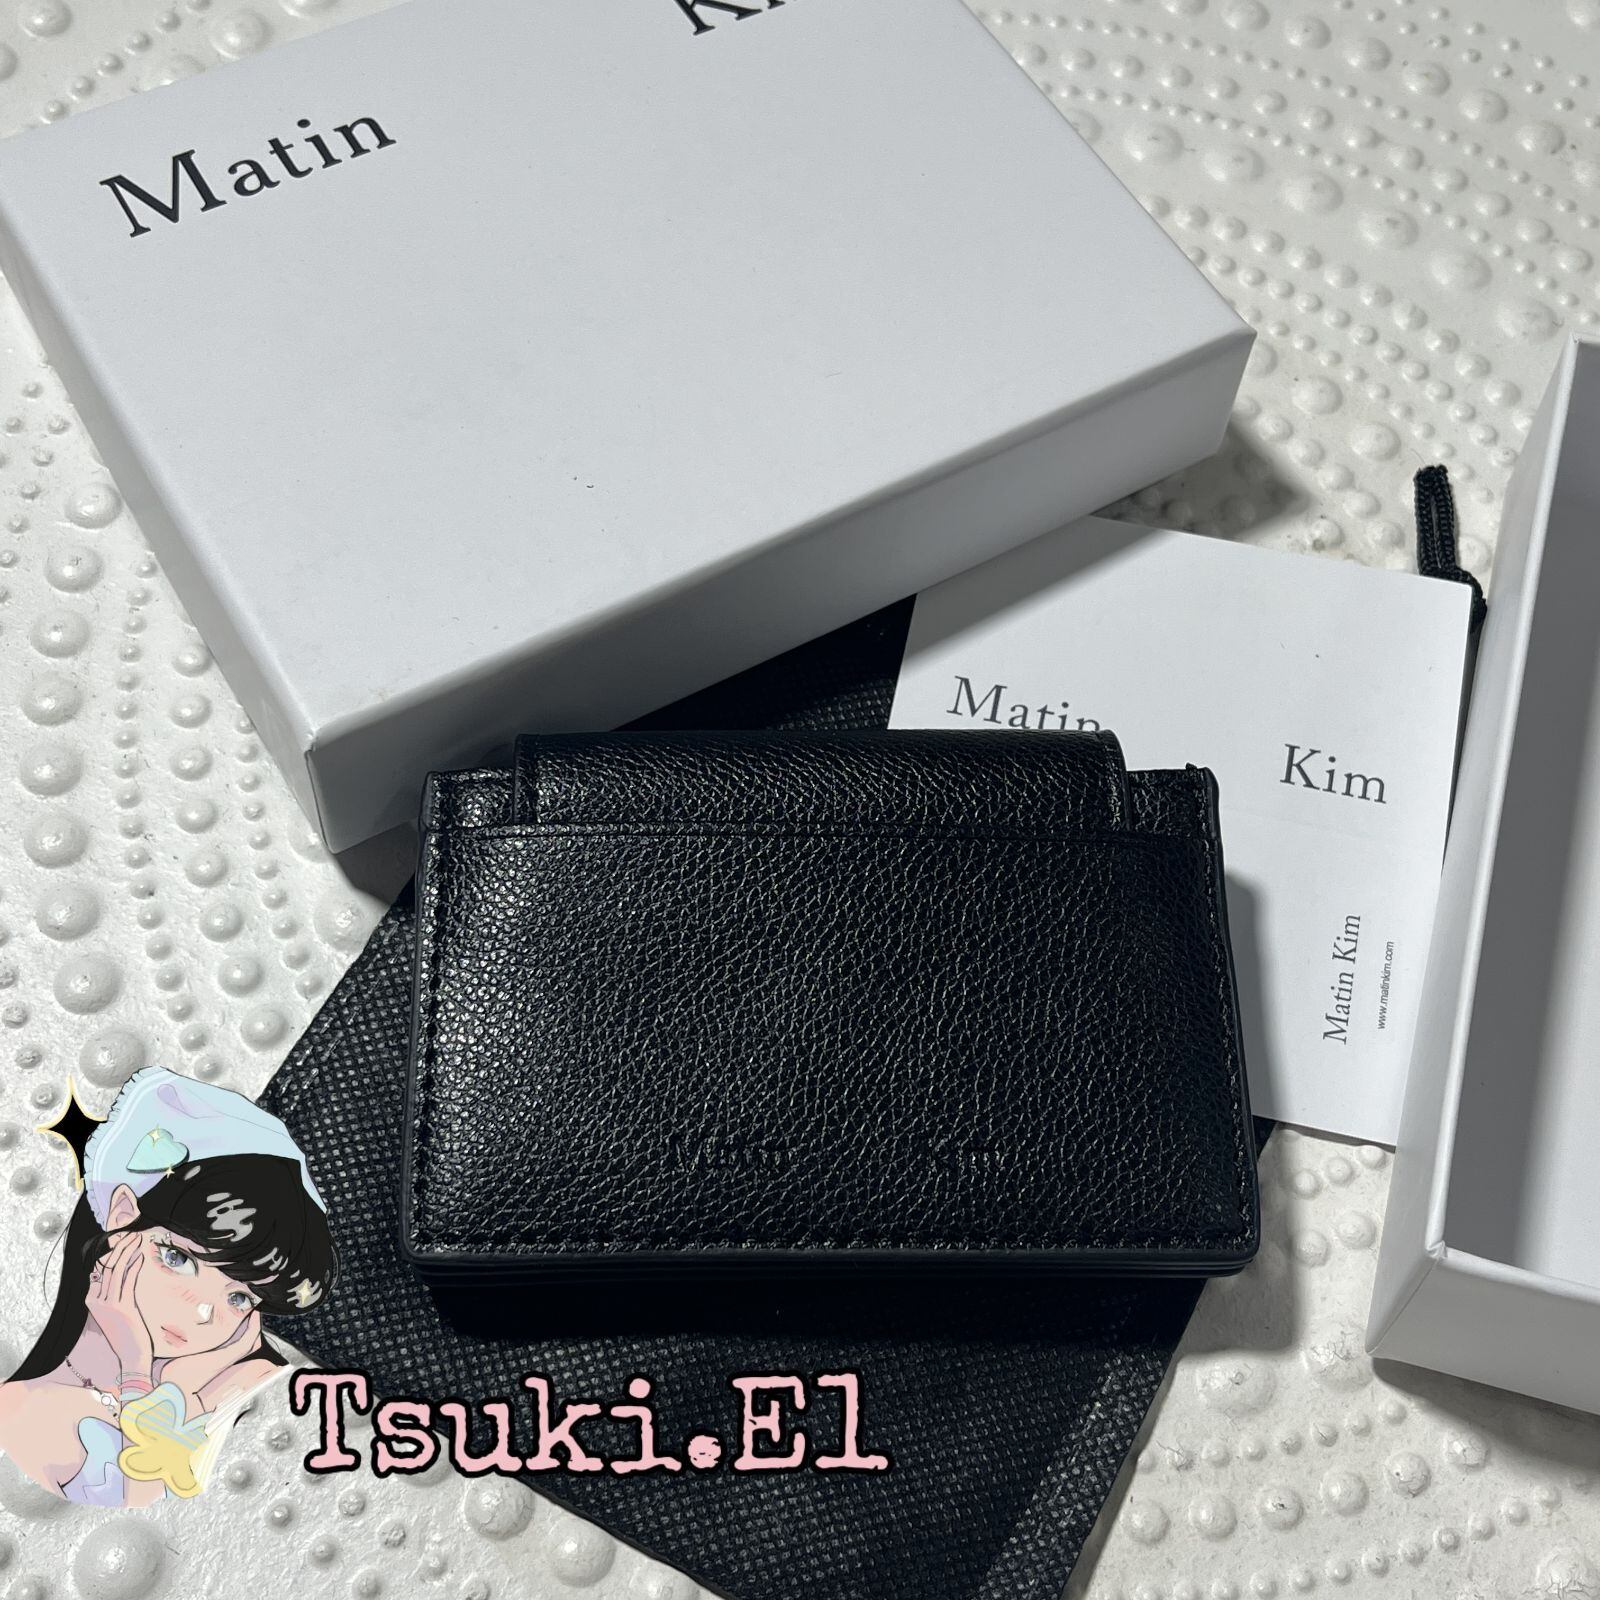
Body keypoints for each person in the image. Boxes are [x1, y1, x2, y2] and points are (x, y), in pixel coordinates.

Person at [0, 1067, 337, 1504]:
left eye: (239, 1297)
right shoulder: (31, 1408)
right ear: (122, 1216)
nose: (203, 1312)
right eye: (178, 1259)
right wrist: (136, 1367)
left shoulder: (223, 1378)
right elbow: (142, 1488)